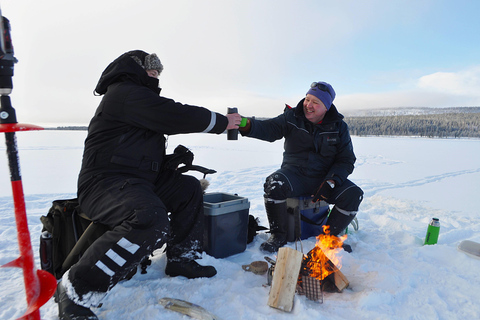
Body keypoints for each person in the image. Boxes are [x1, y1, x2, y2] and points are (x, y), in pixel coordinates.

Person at [55, 50, 242, 320]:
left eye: (157, 72)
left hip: (137, 180)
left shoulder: (138, 99)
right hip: (104, 183)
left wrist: (167, 162)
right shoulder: (123, 93)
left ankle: (181, 259)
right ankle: (77, 288)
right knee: (149, 218)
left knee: (188, 189)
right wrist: (222, 122)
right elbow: (173, 114)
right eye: (151, 71)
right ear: (134, 69)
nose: (155, 76)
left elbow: (135, 151)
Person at [239, 81, 363, 253]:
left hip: (324, 178)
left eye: (315, 102)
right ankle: (278, 236)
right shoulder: (292, 117)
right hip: (294, 175)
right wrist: (245, 124)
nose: (308, 105)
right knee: (275, 184)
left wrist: (332, 181)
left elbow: (346, 159)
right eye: (307, 99)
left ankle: (329, 237)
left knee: (353, 195)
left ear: (326, 107)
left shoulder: (338, 127)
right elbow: (269, 128)